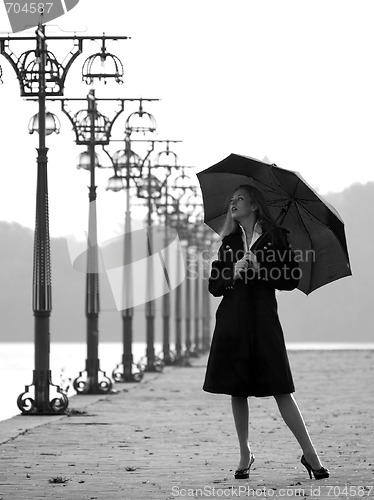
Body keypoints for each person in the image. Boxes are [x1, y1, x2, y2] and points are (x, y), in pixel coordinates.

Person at [203, 184, 329, 480]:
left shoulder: (276, 238)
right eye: (231, 198)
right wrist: (233, 270)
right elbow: (214, 286)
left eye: (240, 199)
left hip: (263, 321)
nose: (233, 203)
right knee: (237, 389)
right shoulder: (230, 241)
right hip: (233, 320)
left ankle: (310, 454)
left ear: (254, 205)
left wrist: (261, 268)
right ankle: (245, 454)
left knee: (280, 386)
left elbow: (290, 279)